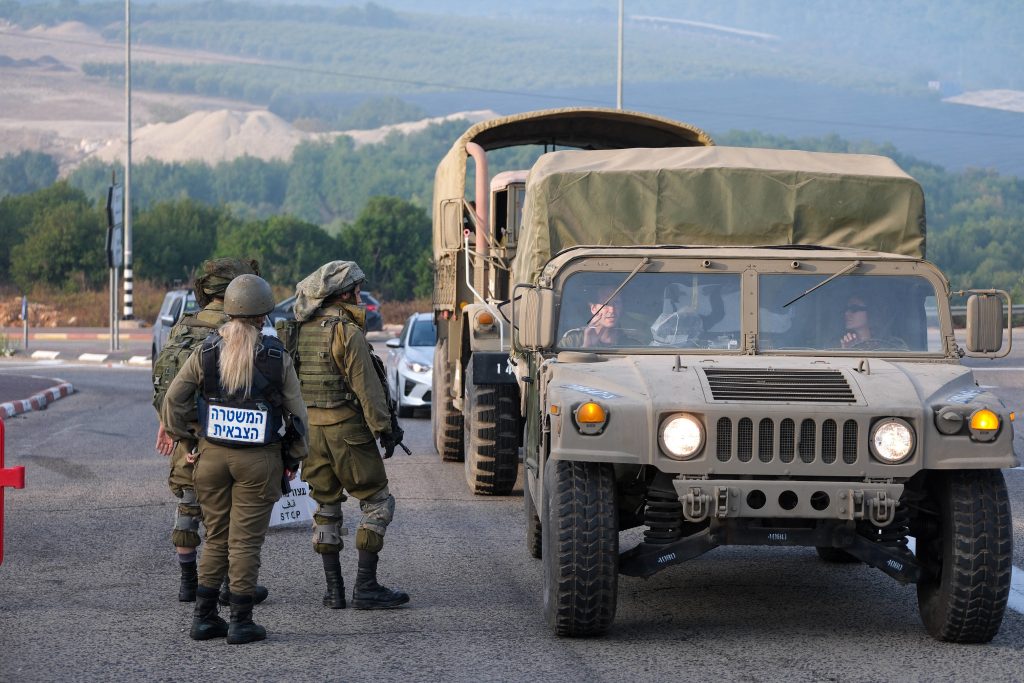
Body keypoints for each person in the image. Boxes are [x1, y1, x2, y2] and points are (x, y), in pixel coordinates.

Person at [161, 274, 308, 644]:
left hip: (210, 459)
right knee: (244, 544)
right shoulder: (276, 357)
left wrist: (189, 439)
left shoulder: (207, 352)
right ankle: (241, 622)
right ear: (263, 315)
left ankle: (205, 619)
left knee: (216, 539)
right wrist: (292, 457)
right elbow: (299, 416)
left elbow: (173, 402)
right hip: (259, 462)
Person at [281, 260, 409, 610]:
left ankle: (333, 589)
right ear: (345, 294)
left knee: (325, 507)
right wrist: (385, 430)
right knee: (379, 503)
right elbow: (367, 390)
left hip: (311, 434)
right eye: (356, 291)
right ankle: (365, 586)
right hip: (347, 432)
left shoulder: (298, 331)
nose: (360, 297)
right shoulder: (346, 332)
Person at [152, 258, 269, 605]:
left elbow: (173, 384)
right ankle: (228, 588)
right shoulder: (241, 326)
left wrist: (168, 426)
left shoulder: (183, 326)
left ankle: (189, 583)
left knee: (188, 506)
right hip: (225, 435)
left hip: (185, 434)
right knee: (229, 517)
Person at [559, 287, 634, 348]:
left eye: (617, 303)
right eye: (606, 304)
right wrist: (586, 347)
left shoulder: (632, 345)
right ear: (593, 308)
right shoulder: (573, 341)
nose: (612, 310)